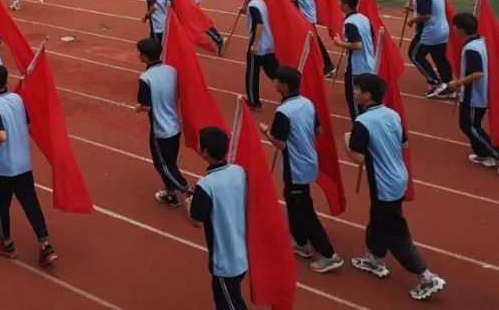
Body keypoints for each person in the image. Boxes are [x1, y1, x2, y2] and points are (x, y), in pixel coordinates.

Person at [344, 73, 445, 301]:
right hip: (399, 177)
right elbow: (404, 143)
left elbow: (359, 158)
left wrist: (345, 142)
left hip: (383, 184)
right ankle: (375, 257)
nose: (354, 93)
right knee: (378, 219)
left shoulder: (362, 123)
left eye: (357, 89)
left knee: (395, 233)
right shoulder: (393, 114)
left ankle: (426, 276)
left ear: (367, 95)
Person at [260, 66, 343, 274]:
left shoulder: (283, 112)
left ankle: (328, 254)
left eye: (276, 81)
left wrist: (265, 133)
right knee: (293, 200)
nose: (273, 83)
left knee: (304, 209)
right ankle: (300, 241)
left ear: (285, 86)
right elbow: (319, 130)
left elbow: (280, 144)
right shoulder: (307, 103)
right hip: (309, 161)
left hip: (295, 166)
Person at [0, 64, 57, 267]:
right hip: (24, 162)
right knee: (31, 203)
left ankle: (6, 243)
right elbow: (28, 124)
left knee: (1, 205)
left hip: (5, 167)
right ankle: (45, 245)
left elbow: (1, 136)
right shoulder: (18, 99)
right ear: (6, 80)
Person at [186, 126, 248, 310]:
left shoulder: (206, 184)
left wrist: (188, 204)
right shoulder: (239, 171)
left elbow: (197, 221)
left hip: (225, 260)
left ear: (205, 152)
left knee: (229, 303)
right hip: (242, 250)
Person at [442, 13, 499, 173]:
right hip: (474, 94)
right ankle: (483, 154)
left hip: (474, 96)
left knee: (469, 126)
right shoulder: (480, 41)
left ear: (462, 30)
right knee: (471, 125)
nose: (454, 29)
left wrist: (457, 83)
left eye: (456, 27)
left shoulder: (471, 48)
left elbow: (477, 73)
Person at [135, 37, 189, 206]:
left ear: (144, 56)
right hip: (175, 124)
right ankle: (170, 194)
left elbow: (146, 106)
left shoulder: (145, 78)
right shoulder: (172, 70)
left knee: (162, 165)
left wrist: (138, 107)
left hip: (161, 129)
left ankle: (187, 190)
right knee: (171, 162)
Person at [405, 0, 454, 98]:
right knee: (440, 58)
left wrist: (412, 20)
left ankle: (435, 83)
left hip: (429, 32)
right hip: (442, 29)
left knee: (415, 55)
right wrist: (413, 9)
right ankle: (449, 86)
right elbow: (432, 7)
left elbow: (426, 15)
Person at [285, 0, 335, 75]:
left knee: (314, 40)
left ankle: (328, 65)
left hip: (303, 15)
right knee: (310, 38)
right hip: (310, 11)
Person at [333, 0, 378, 119]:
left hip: (356, 69)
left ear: (346, 5)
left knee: (354, 102)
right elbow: (373, 38)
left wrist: (340, 43)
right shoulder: (364, 18)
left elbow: (357, 45)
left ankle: (359, 126)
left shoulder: (350, 23)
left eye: (339, 1)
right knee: (369, 101)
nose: (338, 3)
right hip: (369, 64)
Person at [242, 0, 279, 110]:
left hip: (258, 46)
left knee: (252, 74)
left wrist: (254, 44)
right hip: (269, 43)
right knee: (273, 72)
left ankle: (253, 101)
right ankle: (290, 90)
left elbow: (259, 23)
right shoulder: (260, 2)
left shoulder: (252, 5)